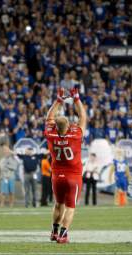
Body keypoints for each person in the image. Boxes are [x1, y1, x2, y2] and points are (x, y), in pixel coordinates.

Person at [44, 87, 87, 244]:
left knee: (58, 204)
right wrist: (76, 98)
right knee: (70, 207)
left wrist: (58, 100)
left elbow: (49, 116)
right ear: (68, 126)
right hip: (73, 176)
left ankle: (54, 232)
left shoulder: (50, 133)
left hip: (57, 175)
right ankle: (63, 235)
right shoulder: (75, 135)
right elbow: (83, 116)